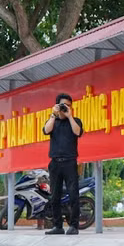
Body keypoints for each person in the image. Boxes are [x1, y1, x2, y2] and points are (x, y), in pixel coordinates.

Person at [43, 93, 84, 235]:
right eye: (63, 105)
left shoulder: (76, 120)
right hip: (55, 163)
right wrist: (53, 115)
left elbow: (77, 132)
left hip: (70, 162)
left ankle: (74, 226)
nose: (65, 107)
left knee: (73, 195)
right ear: (57, 105)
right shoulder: (53, 121)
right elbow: (46, 130)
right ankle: (57, 226)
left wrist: (70, 116)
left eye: (68, 105)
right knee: (54, 196)